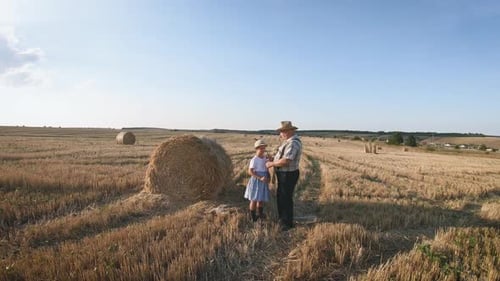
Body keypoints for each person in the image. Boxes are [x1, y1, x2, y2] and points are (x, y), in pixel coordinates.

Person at [266, 121, 302, 230]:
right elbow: (282, 158)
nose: (280, 134)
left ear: (289, 131)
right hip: (284, 174)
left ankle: (286, 223)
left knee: (285, 198)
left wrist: (271, 164)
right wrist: (274, 159)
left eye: (282, 132)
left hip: (287, 174)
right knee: (282, 196)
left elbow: (286, 161)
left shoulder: (292, 143)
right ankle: (283, 219)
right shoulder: (288, 142)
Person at [244, 139, 271, 222]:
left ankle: (260, 214)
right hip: (256, 181)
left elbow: (267, 168)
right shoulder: (254, 159)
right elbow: (250, 171)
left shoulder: (265, 158)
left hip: (264, 180)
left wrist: (268, 176)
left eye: (264, 148)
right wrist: (260, 178)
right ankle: (253, 217)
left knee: (261, 199)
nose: (263, 150)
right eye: (261, 148)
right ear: (256, 149)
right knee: (254, 199)